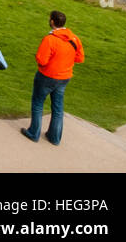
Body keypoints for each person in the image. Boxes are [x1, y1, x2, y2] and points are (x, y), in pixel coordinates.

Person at [22, 10, 85, 146]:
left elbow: (42, 60)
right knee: (58, 107)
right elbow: (80, 58)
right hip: (64, 77)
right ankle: (54, 137)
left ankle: (34, 133)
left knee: (38, 104)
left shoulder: (50, 39)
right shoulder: (74, 38)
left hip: (47, 76)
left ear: (52, 22)